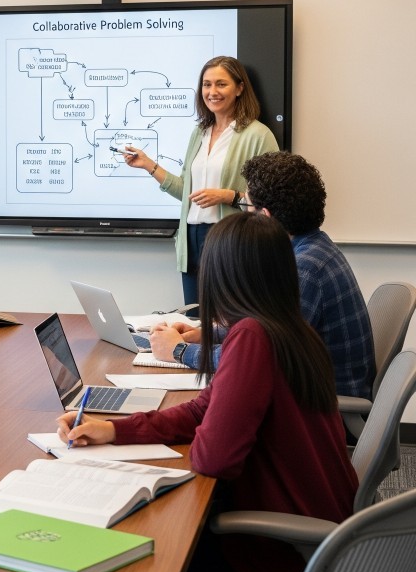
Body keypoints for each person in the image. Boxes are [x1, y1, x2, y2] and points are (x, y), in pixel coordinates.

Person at [60, 211, 357, 572]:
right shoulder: (287, 326)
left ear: (223, 277)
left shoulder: (252, 337)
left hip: (282, 552)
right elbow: (204, 408)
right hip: (321, 534)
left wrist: (212, 423)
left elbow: (213, 456)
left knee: (134, 558)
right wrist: (113, 430)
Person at [149, 152, 375, 399]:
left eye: (246, 205)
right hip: (312, 392)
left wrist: (179, 350)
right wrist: (206, 334)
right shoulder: (313, 247)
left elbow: (258, 359)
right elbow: (268, 333)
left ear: (265, 217)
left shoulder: (304, 270)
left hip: (321, 410)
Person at [120, 55, 277, 304]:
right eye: (206, 84)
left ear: (239, 88)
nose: (212, 91)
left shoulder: (258, 135)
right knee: (195, 321)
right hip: (191, 240)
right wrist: (149, 165)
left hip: (230, 241)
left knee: (227, 323)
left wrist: (229, 196)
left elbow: (272, 201)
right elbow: (188, 193)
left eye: (221, 84)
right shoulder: (199, 132)